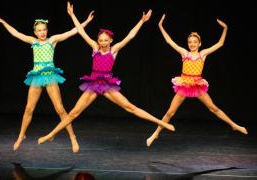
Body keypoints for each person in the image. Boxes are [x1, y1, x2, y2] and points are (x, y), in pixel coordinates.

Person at [37, 2, 175, 147]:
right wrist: (72, 15)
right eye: (100, 40)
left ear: (110, 41)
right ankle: (50, 135)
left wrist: (141, 21)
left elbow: (130, 37)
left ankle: (161, 123)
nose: (102, 43)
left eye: (105, 40)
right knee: (73, 113)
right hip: (93, 83)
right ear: (98, 40)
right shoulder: (95, 47)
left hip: (108, 84)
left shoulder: (113, 50)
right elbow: (81, 32)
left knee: (130, 107)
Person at [0, 10, 94, 153]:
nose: (42, 33)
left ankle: (73, 137)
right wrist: (3, 22)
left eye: (44, 30)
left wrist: (86, 22)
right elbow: (16, 33)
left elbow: (73, 31)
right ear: (35, 32)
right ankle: (21, 135)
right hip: (36, 77)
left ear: (47, 30)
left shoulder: (52, 40)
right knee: (29, 108)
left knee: (60, 109)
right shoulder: (32, 41)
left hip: (51, 76)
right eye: (39, 30)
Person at [146, 14, 248, 147]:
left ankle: (234, 125)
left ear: (199, 43)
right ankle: (155, 134)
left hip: (197, 85)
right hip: (184, 84)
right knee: (170, 112)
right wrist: (160, 26)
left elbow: (220, 43)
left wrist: (225, 29)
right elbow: (169, 42)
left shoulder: (202, 54)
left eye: (195, 42)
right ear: (188, 44)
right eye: (190, 42)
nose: (192, 44)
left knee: (213, 109)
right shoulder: (184, 53)